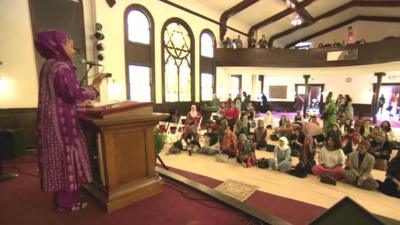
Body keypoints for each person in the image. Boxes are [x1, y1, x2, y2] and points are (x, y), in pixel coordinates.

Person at [34, 30, 106, 212]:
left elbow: (63, 94)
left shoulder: (49, 65)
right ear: (58, 46)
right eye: (69, 43)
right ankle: (67, 203)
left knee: (59, 162)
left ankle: (62, 200)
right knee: (69, 162)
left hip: (52, 123)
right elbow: (72, 94)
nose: (72, 47)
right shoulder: (62, 67)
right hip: (63, 125)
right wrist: (95, 88)